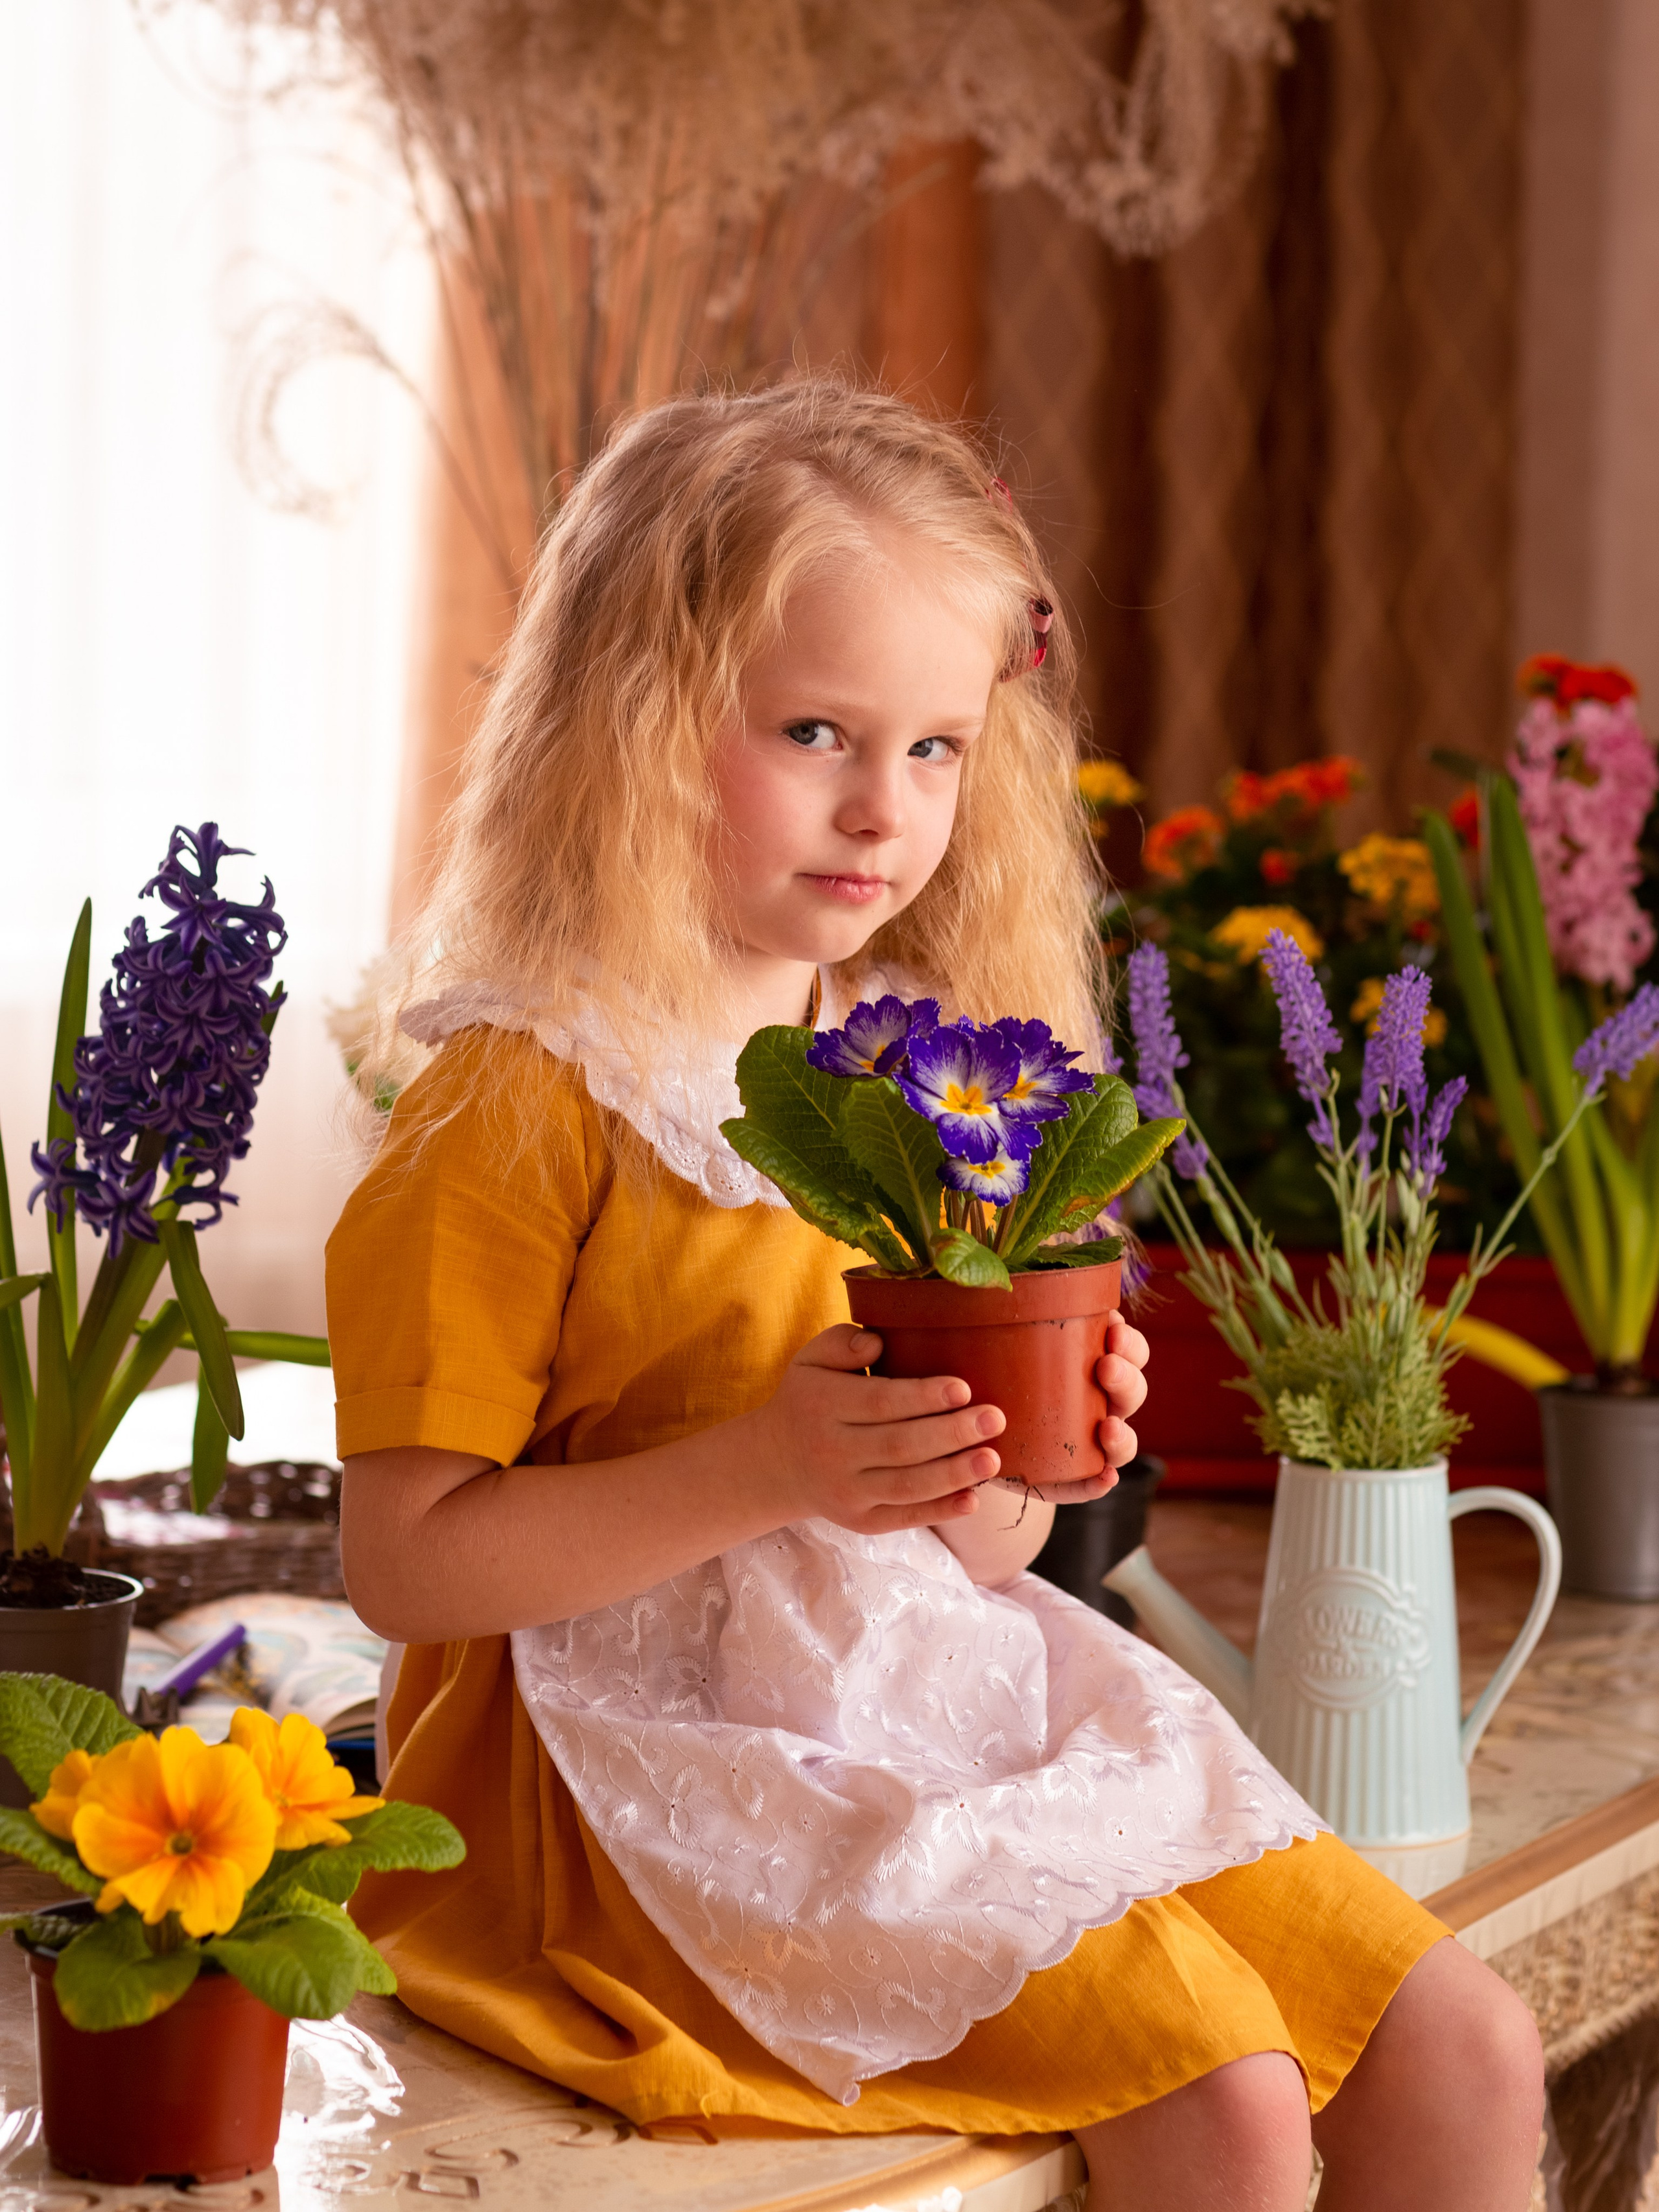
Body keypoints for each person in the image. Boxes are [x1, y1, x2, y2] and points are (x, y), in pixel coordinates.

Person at [330, 379, 1544, 2211]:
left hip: (923, 1693)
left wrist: (1016, 1465)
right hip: (631, 1777)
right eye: (814, 730)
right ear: (637, 719)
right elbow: (406, 1564)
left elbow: (969, 1554)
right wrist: (773, 1467)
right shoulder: (522, 1096)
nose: (881, 809)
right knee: (1223, 2101)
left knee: (1468, 2048)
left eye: (937, 749)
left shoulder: (921, 1068)